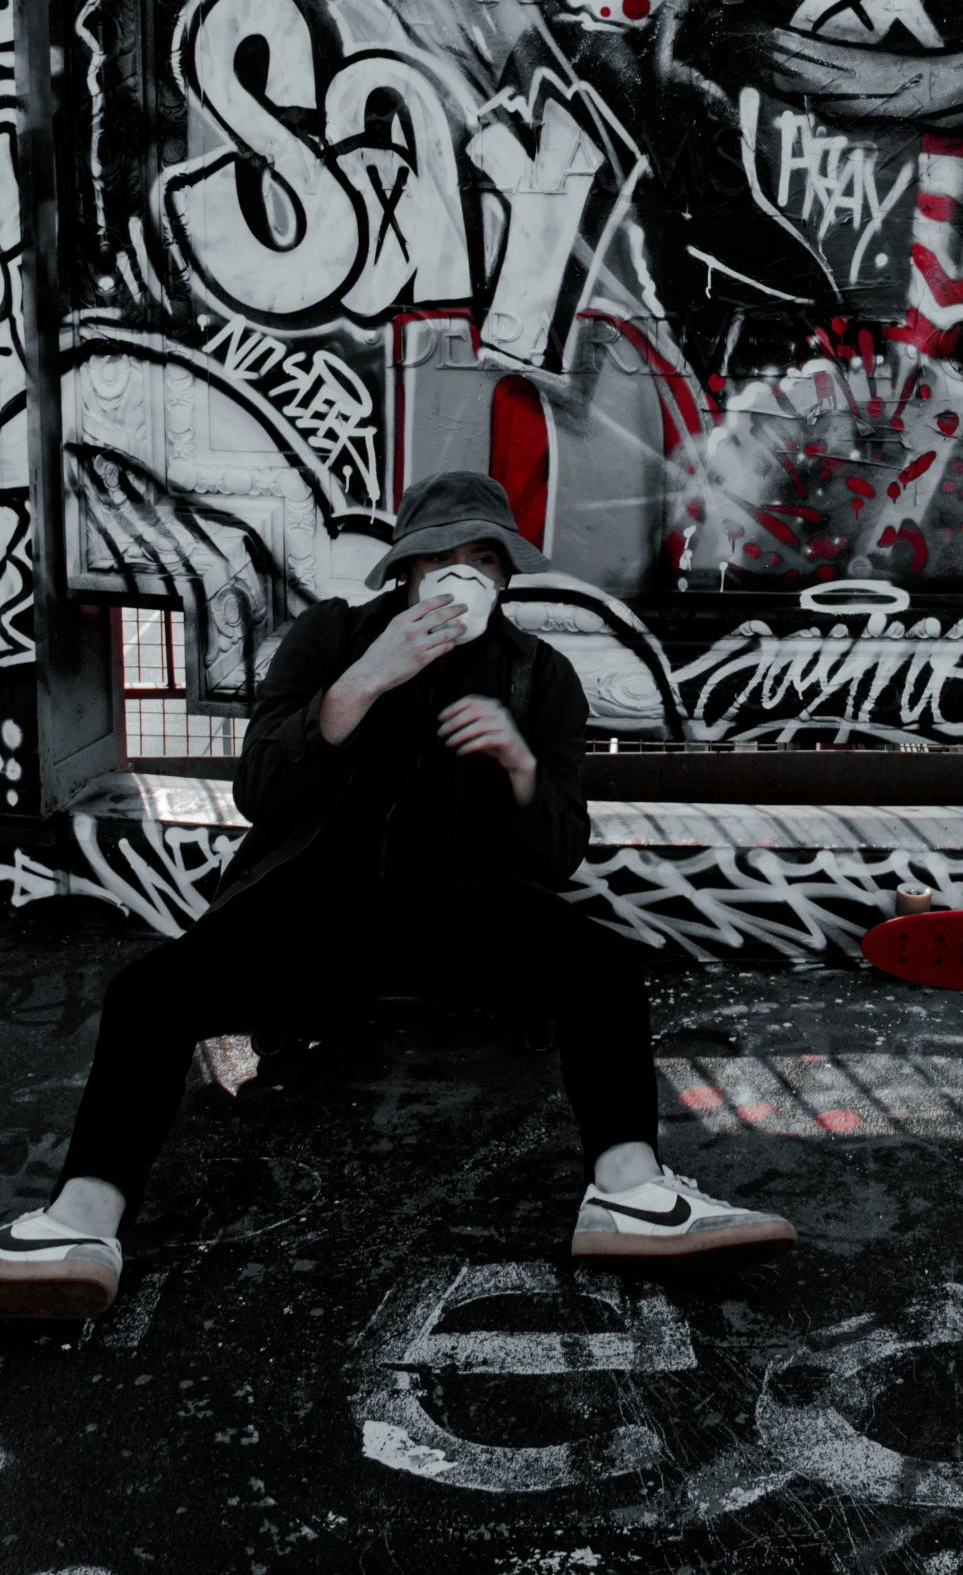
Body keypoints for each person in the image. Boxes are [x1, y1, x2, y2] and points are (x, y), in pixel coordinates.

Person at [0, 471, 795, 1317]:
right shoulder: (333, 638)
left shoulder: (538, 676)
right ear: (406, 574)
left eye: (481, 561)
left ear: (503, 580)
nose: (459, 578)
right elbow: (260, 792)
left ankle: (628, 1191)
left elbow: (560, 853)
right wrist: (362, 683)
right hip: (309, 912)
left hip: (461, 917)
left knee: (601, 968)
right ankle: (81, 1220)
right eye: (438, 561)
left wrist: (520, 765)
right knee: (146, 994)